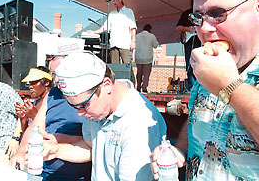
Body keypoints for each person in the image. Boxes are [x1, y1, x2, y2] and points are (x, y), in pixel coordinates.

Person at [151, 0, 259, 180]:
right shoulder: (212, 60)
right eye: (197, 17)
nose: (204, 29)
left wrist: (230, 88)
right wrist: (181, 151)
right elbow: (199, 115)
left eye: (218, 13)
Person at [42, 51, 166, 180]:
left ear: (106, 85)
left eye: (84, 105)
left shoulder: (138, 124)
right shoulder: (98, 109)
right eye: (75, 106)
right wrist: (56, 150)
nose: (80, 113)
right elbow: (91, 146)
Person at [11, 56, 92, 181]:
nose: (56, 78)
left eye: (59, 73)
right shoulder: (53, 94)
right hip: (48, 172)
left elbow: (95, 140)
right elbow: (35, 126)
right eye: (53, 74)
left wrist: (61, 139)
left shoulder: (88, 96)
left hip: (80, 175)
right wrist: (21, 150)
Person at [88, 0, 137, 64]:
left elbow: (133, 27)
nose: (113, 2)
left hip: (125, 44)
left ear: (120, 0)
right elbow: (104, 27)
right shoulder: (112, 14)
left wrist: (133, 41)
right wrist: (93, 32)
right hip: (114, 43)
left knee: (126, 66)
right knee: (114, 67)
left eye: (114, 0)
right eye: (112, 0)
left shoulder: (128, 11)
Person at [176, 0, 202, 90]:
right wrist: (188, 29)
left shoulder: (205, 12)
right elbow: (178, 27)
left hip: (202, 42)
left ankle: (201, 87)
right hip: (190, 42)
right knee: (190, 64)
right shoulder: (187, 13)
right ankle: (193, 87)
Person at [15, 66, 53, 131]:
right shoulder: (36, 101)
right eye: (30, 83)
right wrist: (23, 117)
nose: (30, 86)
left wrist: (34, 115)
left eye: (34, 83)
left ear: (47, 82)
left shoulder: (54, 102)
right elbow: (27, 130)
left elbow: (52, 130)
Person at [134, 24, 158, 93]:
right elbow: (155, 45)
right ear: (150, 29)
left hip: (138, 57)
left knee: (139, 73)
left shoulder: (137, 36)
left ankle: (138, 86)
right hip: (147, 58)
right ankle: (144, 87)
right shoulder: (152, 36)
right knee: (146, 74)